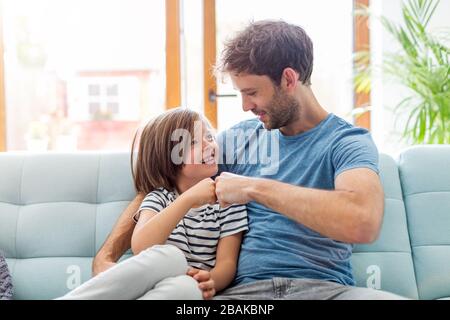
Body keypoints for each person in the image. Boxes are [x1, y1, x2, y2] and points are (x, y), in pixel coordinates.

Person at [93, 20, 405, 300]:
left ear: (288, 79)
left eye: (252, 92)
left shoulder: (347, 142)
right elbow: (165, 181)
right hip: (245, 297)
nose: (244, 106)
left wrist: (255, 188)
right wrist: (107, 257)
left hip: (327, 291)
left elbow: (362, 222)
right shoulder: (240, 140)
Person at [59, 108, 248, 300]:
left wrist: (211, 280)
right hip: (151, 281)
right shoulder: (159, 198)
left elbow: (227, 263)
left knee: (188, 288)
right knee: (171, 257)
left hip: (188, 288)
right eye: (194, 142)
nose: (209, 145)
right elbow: (142, 245)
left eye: (209, 136)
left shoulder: (229, 202)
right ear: (167, 158)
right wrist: (188, 199)